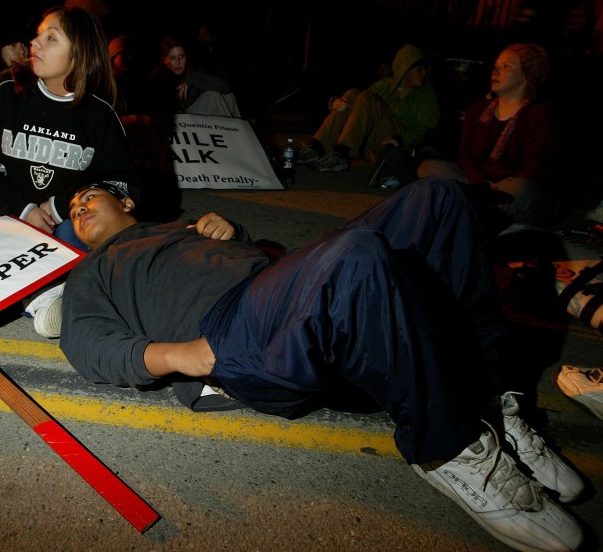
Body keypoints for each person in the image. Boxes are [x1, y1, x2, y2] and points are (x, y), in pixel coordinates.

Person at [60, 178, 585, 552]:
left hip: (287, 291)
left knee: (438, 198)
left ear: (125, 199)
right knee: (354, 254)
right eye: (73, 210)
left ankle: (485, 400)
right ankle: (448, 447)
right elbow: (85, 345)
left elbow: (250, 263)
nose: (79, 207)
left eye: (89, 196)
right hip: (236, 335)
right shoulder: (92, 273)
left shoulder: (184, 226)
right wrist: (183, 356)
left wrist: (231, 232)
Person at [0, 5, 140, 337]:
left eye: (50, 37)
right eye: (38, 34)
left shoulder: (99, 114)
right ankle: (56, 294)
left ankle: (54, 293)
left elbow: (120, 185)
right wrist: (23, 210)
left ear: (79, 55)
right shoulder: (5, 90)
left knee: (90, 229)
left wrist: (58, 206)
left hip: (64, 222)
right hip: (7, 214)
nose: (35, 43)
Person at [417, 43, 560, 228]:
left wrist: (492, 189)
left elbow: (535, 171)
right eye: (496, 66)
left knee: (521, 188)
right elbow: (465, 157)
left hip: (518, 192)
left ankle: (465, 211)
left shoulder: (540, 115)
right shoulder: (479, 110)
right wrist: (482, 186)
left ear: (527, 74)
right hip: (482, 187)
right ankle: (473, 208)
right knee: (429, 168)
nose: (496, 71)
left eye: (506, 66)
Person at [299, 44, 440, 172]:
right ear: (405, 69)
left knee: (366, 96)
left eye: (425, 69)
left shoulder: (425, 92)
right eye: (419, 69)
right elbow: (361, 108)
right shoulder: (385, 85)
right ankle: (315, 147)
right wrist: (335, 102)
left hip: (398, 141)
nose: (424, 73)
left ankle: (341, 153)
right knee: (353, 94)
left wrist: (402, 138)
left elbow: (426, 129)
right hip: (375, 141)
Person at [148, 34, 241, 118]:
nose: (178, 62)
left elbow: (226, 87)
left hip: (198, 120)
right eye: (172, 58)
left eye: (181, 56)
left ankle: (241, 133)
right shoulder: (158, 78)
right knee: (212, 96)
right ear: (164, 60)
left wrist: (192, 79)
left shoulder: (193, 73)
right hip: (178, 122)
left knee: (229, 97)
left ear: (186, 57)